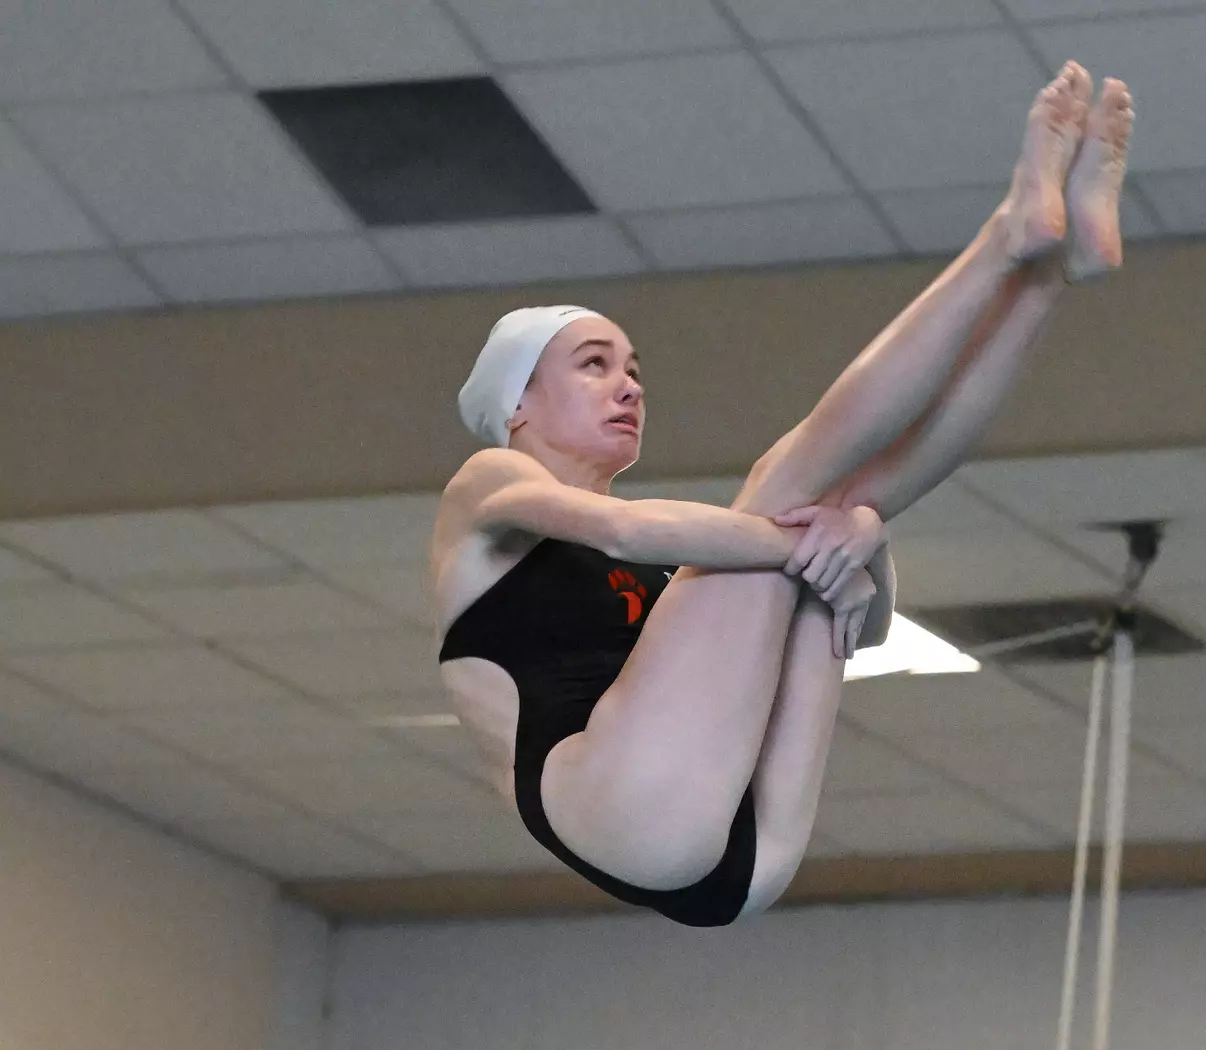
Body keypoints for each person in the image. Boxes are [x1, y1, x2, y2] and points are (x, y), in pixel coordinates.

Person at [430, 63, 1134, 926]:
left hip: (742, 845)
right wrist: (815, 538)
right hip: (628, 820)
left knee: (839, 491)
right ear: (517, 405)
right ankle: (1003, 238)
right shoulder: (489, 484)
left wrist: (862, 532)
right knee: (784, 486)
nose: (629, 387)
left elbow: (860, 624)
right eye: (594, 365)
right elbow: (619, 531)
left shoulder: (681, 600)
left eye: (634, 371)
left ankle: (1049, 273)